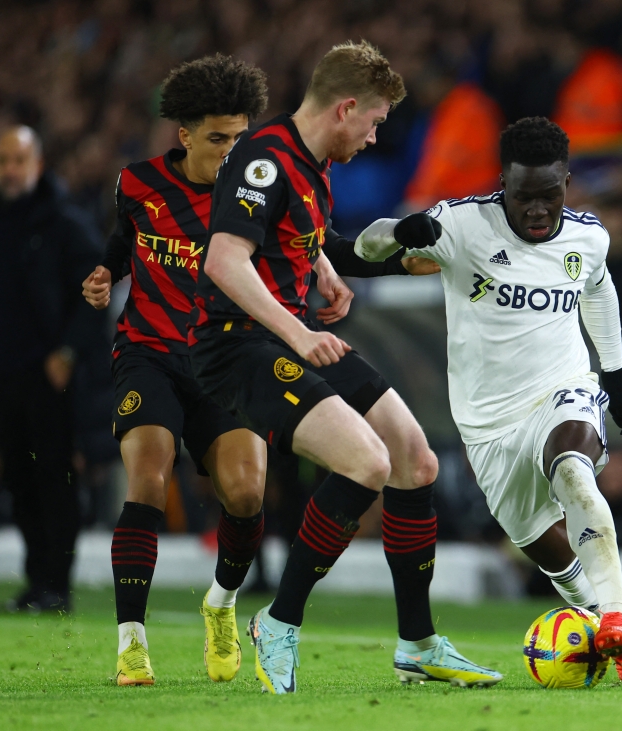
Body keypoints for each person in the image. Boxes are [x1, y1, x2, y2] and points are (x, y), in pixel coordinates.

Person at [81, 55, 425, 687]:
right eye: (218, 138)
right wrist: (109, 271)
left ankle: (225, 603)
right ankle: (132, 638)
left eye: (238, 136)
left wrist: (324, 263)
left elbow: (293, 235)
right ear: (184, 136)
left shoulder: (262, 182)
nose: (231, 150)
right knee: (149, 476)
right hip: (155, 349)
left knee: (245, 493)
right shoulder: (142, 184)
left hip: (235, 352)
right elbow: (128, 235)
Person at [189, 41, 501, 694]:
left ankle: (417, 643)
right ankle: (278, 619)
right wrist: (299, 329)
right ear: (346, 107)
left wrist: (376, 264)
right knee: (366, 462)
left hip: (285, 340)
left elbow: (309, 243)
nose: (376, 134)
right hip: (239, 345)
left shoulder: (311, 168)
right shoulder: (265, 161)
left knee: (415, 457)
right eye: (377, 120)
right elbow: (224, 261)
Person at [356, 116, 622, 680]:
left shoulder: (588, 236)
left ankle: (619, 615)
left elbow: (599, 291)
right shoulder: (462, 223)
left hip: (561, 389)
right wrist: (402, 231)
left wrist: (617, 381)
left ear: (567, 182)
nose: (538, 210)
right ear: (504, 184)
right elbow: (367, 249)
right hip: (486, 421)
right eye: (525, 198)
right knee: (536, 541)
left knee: (572, 470)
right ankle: (597, 614)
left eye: (550, 196)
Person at [0, 126, 104, 613]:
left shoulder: (66, 223)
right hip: (4, 372)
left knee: (55, 476)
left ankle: (56, 584)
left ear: (37, 165)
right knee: (19, 480)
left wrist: (67, 352)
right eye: (2, 160)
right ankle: (36, 580)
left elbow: (95, 295)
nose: (9, 169)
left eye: (18, 160)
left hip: (52, 374)